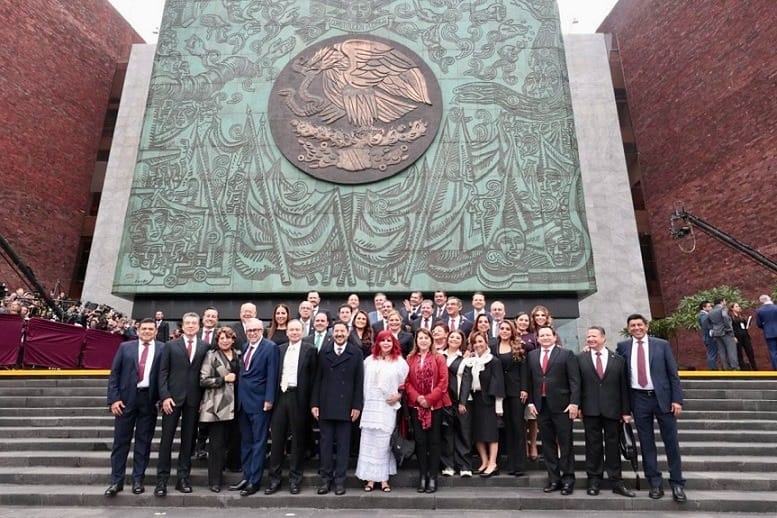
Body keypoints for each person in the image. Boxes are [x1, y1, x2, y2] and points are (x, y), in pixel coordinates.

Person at [616, 314, 686, 503]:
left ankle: (677, 483)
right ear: (628, 328)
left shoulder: (661, 345)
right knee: (646, 443)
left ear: (646, 326)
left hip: (662, 398)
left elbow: (673, 374)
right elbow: (620, 376)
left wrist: (677, 400)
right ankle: (655, 483)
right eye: (632, 325)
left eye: (640, 324)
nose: (636, 328)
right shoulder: (623, 347)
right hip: (639, 399)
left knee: (671, 442)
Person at [104, 318, 162, 496]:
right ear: (137, 331)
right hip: (125, 400)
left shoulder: (163, 349)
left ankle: (138, 480)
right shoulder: (125, 348)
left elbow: (164, 375)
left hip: (148, 400)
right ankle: (116, 481)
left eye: (150, 329)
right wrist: (113, 400)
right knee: (120, 442)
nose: (146, 331)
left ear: (155, 332)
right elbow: (115, 374)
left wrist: (162, 397)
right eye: (143, 329)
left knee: (143, 444)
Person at [154, 312, 209, 497]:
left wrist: (203, 399)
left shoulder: (205, 347)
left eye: (194, 323)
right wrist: (165, 397)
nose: (191, 326)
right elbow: (162, 373)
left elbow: (205, 374)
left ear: (199, 326)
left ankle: (183, 478)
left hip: (194, 401)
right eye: (188, 323)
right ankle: (161, 480)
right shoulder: (170, 346)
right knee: (166, 441)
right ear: (182, 325)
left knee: (188, 441)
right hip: (172, 400)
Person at [577, 326, 635, 497]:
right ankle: (594, 480)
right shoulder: (580, 358)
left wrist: (626, 411)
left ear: (603, 338)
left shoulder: (618, 360)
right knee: (592, 446)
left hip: (613, 410)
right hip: (590, 410)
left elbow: (624, 387)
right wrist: (579, 406)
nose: (590, 339)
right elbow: (577, 385)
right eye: (588, 336)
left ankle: (616, 481)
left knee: (613, 447)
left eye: (594, 336)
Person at [311, 321, 364, 496]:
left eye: (343, 331)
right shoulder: (324, 351)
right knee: (325, 445)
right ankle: (325, 480)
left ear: (348, 333)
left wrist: (357, 406)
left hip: (346, 406)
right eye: (337, 331)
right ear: (332, 333)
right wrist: (315, 404)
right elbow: (317, 379)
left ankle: (340, 481)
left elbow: (359, 382)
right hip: (326, 404)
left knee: (343, 446)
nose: (340, 334)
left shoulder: (356, 353)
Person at [266, 320, 318, 495]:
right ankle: (274, 479)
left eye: (297, 329)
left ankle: (295, 480)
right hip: (281, 396)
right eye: (291, 330)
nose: (294, 332)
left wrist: (312, 403)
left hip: (299, 398)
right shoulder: (279, 349)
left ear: (302, 331)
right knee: (277, 440)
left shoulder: (310, 350)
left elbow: (314, 379)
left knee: (297, 441)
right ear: (286, 332)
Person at [526, 325, 580, 495]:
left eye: (548, 335)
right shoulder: (532, 356)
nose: (545, 338)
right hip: (541, 406)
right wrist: (530, 402)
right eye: (542, 335)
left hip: (563, 406)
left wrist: (574, 403)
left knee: (565, 444)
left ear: (555, 337)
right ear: (538, 338)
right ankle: (554, 479)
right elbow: (529, 380)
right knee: (548, 445)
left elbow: (575, 381)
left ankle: (568, 479)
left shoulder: (566, 354)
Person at [355, 330, 409, 493]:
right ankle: (370, 479)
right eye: (382, 340)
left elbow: (406, 385)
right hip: (370, 406)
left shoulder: (400, 362)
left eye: (389, 340)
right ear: (377, 343)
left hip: (387, 406)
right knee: (368, 443)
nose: (385, 343)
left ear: (394, 343)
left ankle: (384, 479)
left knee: (383, 443)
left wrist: (399, 396)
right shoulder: (368, 361)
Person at [231, 318, 278, 496]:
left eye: (255, 330)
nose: (252, 333)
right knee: (246, 442)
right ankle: (247, 475)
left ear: (262, 330)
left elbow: (272, 374)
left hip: (260, 403)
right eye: (249, 330)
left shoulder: (270, 347)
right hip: (243, 402)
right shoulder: (245, 347)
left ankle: (254, 481)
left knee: (259, 443)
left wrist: (269, 399)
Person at [405, 327, 450, 493]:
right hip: (416, 406)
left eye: (426, 337)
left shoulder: (438, 358)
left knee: (434, 441)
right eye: (420, 338)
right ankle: (422, 476)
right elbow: (407, 382)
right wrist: (418, 398)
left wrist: (429, 399)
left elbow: (444, 382)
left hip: (435, 406)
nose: (423, 340)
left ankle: (432, 477)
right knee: (420, 441)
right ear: (416, 341)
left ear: (431, 340)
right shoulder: (410, 358)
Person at [198, 326, 239, 493]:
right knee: (216, 445)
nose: (225, 340)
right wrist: (223, 379)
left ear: (233, 340)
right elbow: (203, 380)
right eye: (221, 338)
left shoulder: (240, 355)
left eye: (228, 338)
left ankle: (232, 468)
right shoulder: (211, 355)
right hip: (217, 406)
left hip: (237, 404)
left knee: (233, 441)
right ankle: (214, 481)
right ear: (217, 340)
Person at [467, 330, 505, 478]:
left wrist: (499, 404)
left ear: (486, 342)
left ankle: (493, 463)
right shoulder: (471, 360)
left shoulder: (493, 360)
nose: (478, 345)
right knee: (477, 433)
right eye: (475, 342)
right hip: (474, 399)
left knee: (491, 433)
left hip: (489, 401)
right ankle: (484, 461)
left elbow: (499, 383)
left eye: (480, 341)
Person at [493, 320, 528, 476]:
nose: (505, 331)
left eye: (508, 329)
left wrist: (524, 389)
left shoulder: (519, 346)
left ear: (512, 331)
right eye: (502, 328)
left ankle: (519, 465)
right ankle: (509, 464)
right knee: (505, 428)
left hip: (516, 391)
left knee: (518, 428)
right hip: (500, 392)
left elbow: (524, 369)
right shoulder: (493, 347)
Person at [440, 330, 473, 478]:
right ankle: (448, 465)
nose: (454, 339)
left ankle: (464, 465)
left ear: (462, 341)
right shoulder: (439, 355)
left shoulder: (465, 358)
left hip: (459, 401)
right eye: (452, 337)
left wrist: (463, 402)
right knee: (446, 434)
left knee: (463, 433)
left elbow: (467, 381)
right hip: (442, 401)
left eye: (457, 338)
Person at [194, 305, 220, 461]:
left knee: (207, 416)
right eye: (208, 316)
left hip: (211, 383)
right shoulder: (194, 333)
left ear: (217, 320)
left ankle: (202, 447)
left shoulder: (220, 335)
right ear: (203, 318)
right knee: (193, 418)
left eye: (213, 316)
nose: (210, 319)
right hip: (193, 382)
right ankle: (193, 446)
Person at [707, 298, 739, 370]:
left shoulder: (711, 311)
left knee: (722, 351)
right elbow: (724, 316)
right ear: (721, 302)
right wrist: (728, 327)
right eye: (724, 301)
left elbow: (708, 322)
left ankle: (726, 367)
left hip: (716, 333)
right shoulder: (723, 309)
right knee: (731, 350)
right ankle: (734, 367)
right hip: (726, 332)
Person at [729, 302, 757, 370]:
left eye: (738, 306)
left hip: (745, 336)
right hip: (737, 336)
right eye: (736, 306)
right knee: (739, 353)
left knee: (750, 351)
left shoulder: (741, 316)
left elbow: (745, 325)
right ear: (732, 308)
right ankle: (742, 368)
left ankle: (754, 367)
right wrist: (733, 337)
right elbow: (730, 327)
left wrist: (748, 322)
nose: (738, 307)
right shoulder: (730, 317)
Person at [755, 294, 777, 370]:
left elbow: (759, 324)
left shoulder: (759, 311)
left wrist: (765, 327)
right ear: (769, 299)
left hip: (769, 333)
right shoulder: (776, 308)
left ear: (761, 302)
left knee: (773, 351)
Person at [697, 301, 717, 370]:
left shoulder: (704, 315)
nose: (711, 308)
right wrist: (712, 331)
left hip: (708, 337)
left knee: (712, 353)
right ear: (704, 307)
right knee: (712, 353)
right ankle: (713, 369)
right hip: (709, 337)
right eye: (709, 306)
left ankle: (713, 368)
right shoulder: (703, 315)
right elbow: (706, 326)